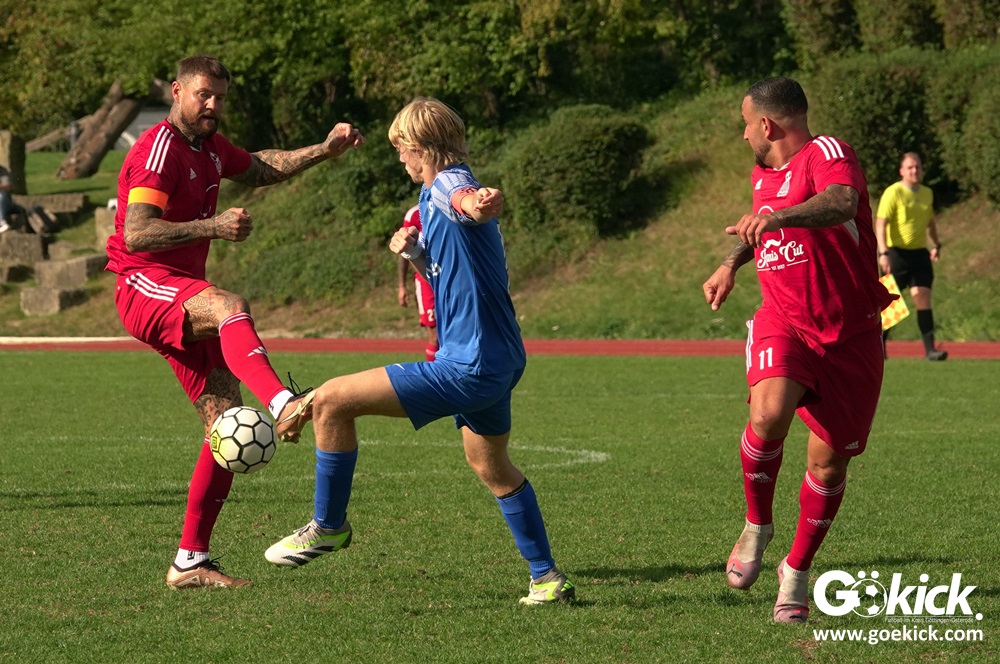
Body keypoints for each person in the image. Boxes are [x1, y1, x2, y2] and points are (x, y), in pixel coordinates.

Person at [264, 97, 575, 606]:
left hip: (469, 363)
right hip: (499, 359)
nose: (400, 159)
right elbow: (450, 274)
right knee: (491, 467)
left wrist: (480, 203)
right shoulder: (432, 197)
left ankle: (329, 525)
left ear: (419, 147)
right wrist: (415, 253)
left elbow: (467, 200)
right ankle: (546, 578)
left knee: (332, 401)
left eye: (401, 149)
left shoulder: (449, 183)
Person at [105, 54, 364, 590]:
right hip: (143, 285)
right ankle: (283, 402)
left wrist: (323, 149)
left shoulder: (208, 147)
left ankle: (190, 561)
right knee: (229, 305)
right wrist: (214, 226)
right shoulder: (158, 152)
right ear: (177, 91)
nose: (212, 106)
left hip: (181, 293)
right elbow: (137, 233)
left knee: (226, 427)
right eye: (203, 95)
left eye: (220, 97)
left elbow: (260, 167)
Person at [702, 77, 896, 623]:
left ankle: (796, 572)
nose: (743, 135)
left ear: (766, 124)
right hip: (784, 319)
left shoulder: (827, 153)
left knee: (829, 465)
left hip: (851, 332)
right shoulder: (761, 176)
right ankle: (756, 526)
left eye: (745, 125)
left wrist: (779, 217)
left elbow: (840, 202)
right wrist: (730, 263)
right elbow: (760, 228)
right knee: (767, 415)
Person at [875, 152, 947, 361]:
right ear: (902, 171)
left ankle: (930, 350)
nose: (914, 170)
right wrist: (883, 253)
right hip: (895, 253)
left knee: (922, 296)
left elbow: (930, 222)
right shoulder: (893, 192)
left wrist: (936, 244)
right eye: (910, 167)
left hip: (919, 254)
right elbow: (881, 224)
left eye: (917, 167)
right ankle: (878, 347)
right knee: (890, 304)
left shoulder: (927, 193)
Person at [396, 205, 439, 361]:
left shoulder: (450, 207)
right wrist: (402, 286)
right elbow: (404, 248)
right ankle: (435, 374)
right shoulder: (414, 215)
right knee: (434, 334)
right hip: (426, 281)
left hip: (452, 279)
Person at [0, 164, 14, 233]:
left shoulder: (2, 170)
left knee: (1, 194)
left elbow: (7, 186)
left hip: (4, 201)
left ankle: (1, 222)